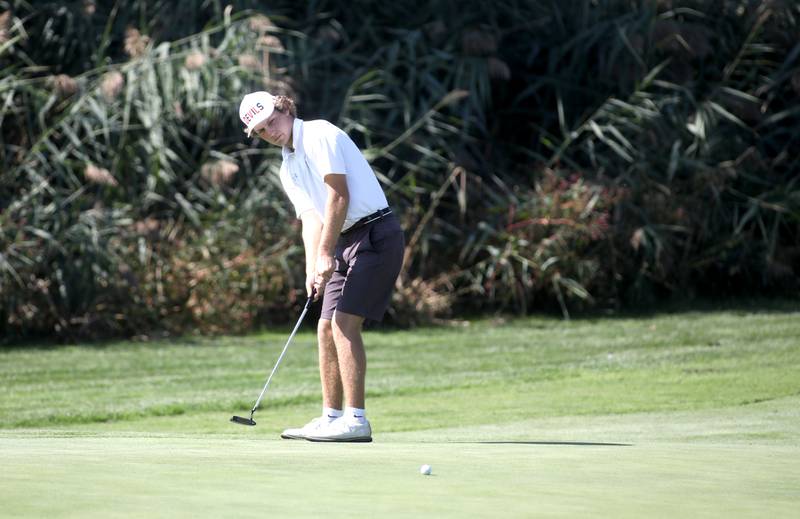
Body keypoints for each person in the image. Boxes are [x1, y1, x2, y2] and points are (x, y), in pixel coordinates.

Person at [238, 91, 404, 442]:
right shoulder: (287, 166)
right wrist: (313, 266)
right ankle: (331, 417)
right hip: (341, 240)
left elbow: (338, 196)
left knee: (344, 323)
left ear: (285, 109)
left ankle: (356, 420)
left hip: (376, 234)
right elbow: (311, 220)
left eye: (272, 121)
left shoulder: (319, 134)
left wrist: (327, 252)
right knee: (325, 327)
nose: (271, 131)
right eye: (262, 131)